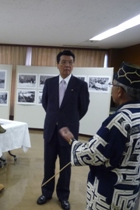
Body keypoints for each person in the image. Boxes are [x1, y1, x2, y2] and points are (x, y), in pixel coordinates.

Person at [59, 62, 140, 210]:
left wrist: (71, 140)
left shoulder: (119, 120)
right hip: (130, 191)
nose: (112, 89)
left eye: (113, 85)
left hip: (111, 194)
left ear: (120, 91)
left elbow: (91, 153)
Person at [37, 50, 90, 210]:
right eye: (64, 62)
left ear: (73, 65)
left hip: (69, 134)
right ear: (57, 64)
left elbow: (83, 108)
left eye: (70, 62)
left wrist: (69, 121)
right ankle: (46, 193)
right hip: (51, 131)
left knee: (66, 166)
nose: (67, 65)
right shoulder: (49, 83)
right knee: (48, 164)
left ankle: (63, 196)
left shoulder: (80, 85)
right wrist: (56, 119)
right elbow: (46, 104)